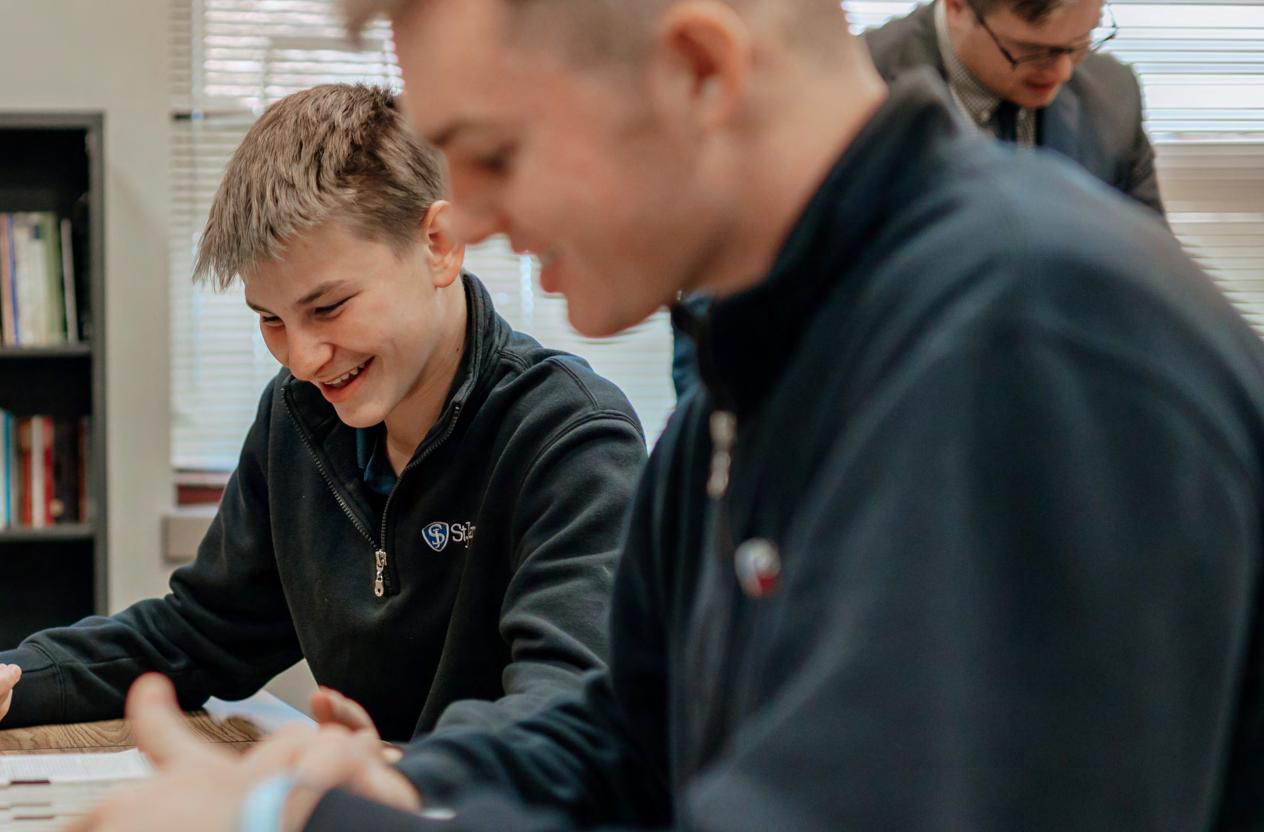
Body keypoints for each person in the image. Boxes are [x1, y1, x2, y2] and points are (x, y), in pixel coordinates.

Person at [74, 1, 1264, 830]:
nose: (465, 223)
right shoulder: (750, 380)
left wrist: (295, 821)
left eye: (495, 153)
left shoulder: (1028, 337)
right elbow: (626, 742)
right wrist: (405, 783)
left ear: (699, 70)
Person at [0, 83, 646, 744]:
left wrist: (369, 788)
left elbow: (565, 722)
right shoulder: (296, 417)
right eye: (271, 320)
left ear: (438, 244)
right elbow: (195, 635)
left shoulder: (571, 440)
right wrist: (17, 678)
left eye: (329, 307)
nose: (304, 360)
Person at [864, 0, 1165, 215]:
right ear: (957, 6)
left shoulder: (1115, 96)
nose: (1062, 72)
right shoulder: (863, 93)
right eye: (1031, 50)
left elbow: (1149, 268)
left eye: (1081, 41)